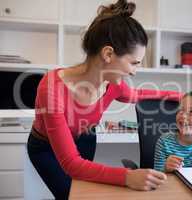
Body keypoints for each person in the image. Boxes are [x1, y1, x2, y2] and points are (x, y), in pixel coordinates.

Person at [26, 0, 182, 199]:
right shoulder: (51, 88)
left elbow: (138, 96)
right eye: (134, 63)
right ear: (108, 54)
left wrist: (182, 96)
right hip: (45, 149)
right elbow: (72, 164)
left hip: (85, 139)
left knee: (86, 192)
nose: (135, 72)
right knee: (70, 195)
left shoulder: (112, 84)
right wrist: (127, 176)